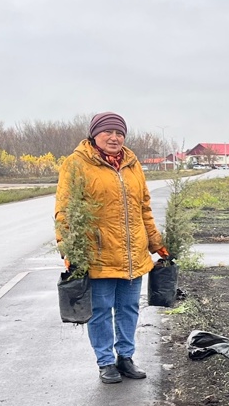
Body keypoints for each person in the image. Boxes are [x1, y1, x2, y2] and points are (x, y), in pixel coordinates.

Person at [55, 112, 168, 384]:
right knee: (101, 311)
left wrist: (157, 243)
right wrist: (69, 249)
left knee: (129, 308)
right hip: (98, 253)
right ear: (95, 134)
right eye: (108, 132)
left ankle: (125, 358)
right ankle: (105, 362)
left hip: (133, 253)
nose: (114, 138)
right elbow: (65, 211)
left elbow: (144, 208)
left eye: (119, 133)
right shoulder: (76, 164)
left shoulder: (132, 164)